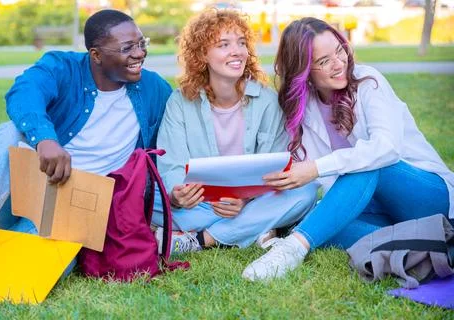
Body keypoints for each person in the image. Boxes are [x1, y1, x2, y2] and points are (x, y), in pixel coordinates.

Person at [242, 17, 454, 281]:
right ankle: (422, 242)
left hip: (427, 197)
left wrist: (316, 168)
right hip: (375, 208)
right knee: (323, 221)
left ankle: (292, 250)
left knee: (365, 167)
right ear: (304, 71)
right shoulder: (304, 107)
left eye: (340, 50)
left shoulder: (367, 81)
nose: (339, 63)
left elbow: (385, 149)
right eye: (323, 61)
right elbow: (305, 174)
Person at [0, 9, 172, 267]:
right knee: (10, 133)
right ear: (96, 55)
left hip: (79, 208)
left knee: (43, 263)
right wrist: (45, 139)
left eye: (141, 43)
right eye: (127, 48)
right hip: (29, 191)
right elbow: (24, 91)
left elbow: (179, 128)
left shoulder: (153, 88)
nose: (139, 53)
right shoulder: (62, 67)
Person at [150, 8, 318, 254]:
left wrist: (244, 200)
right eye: (223, 44)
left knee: (306, 191)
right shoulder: (180, 102)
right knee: (147, 195)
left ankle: (200, 239)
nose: (236, 51)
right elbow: (171, 165)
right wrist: (177, 196)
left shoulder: (267, 101)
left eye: (241, 43)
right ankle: (258, 228)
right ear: (202, 55)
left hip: (251, 201)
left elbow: (275, 170)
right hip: (199, 204)